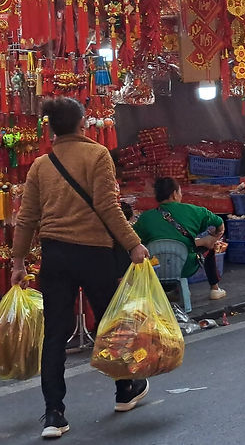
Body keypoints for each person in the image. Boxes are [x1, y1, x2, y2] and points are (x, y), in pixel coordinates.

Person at [10, 97, 151, 440]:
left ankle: (54, 414)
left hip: (55, 256)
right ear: (82, 124)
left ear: (53, 128)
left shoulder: (41, 165)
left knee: (55, 335)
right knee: (109, 324)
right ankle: (124, 390)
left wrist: (18, 261)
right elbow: (108, 206)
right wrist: (133, 244)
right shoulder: (97, 155)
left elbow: (26, 217)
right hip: (94, 254)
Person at [134, 177, 227, 301]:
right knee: (209, 250)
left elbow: (136, 241)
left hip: (155, 268)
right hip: (185, 267)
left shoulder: (145, 218)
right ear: (174, 194)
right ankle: (215, 289)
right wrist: (215, 236)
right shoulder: (194, 211)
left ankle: (172, 291)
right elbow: (219, 222)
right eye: (180, 192)